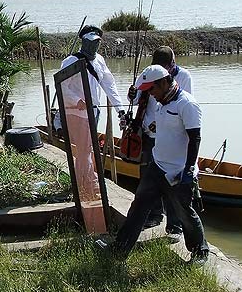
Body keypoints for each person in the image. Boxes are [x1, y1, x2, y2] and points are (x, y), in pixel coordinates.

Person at [111, 64, 209, 263]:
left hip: (178, 171)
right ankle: (119, 250)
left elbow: (195, 139)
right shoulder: (161, 103)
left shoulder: (187, 104)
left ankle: (200, 252)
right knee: (138, 206)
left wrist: (189, 171)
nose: (151, 95)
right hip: (157, 166)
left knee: (184, 212)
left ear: (164, 82)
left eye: (152, 89)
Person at [58, 25, 126, 232]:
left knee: (87, 149)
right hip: (77, 113)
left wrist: (120, 109)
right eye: (90, 42)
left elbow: (109, 85)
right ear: (83, 41)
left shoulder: (100, 61)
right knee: (85, 149)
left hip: (93, 112)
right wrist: (77, 100)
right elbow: (62, 87)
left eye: (97, 42)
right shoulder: (70, 62)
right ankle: (87, 184)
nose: (94, 46)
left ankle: (85, 181)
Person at [127, 46, 194, 232]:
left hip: (171, 137)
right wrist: (131, 95)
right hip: (148, 134)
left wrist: (162, 124)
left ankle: (174, 225)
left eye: (169, 66)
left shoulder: (184, 77)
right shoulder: (149, 75)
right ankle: (154, 215)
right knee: (148, 181)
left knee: (172, 183)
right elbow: (135, 100)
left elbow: (182, 107)